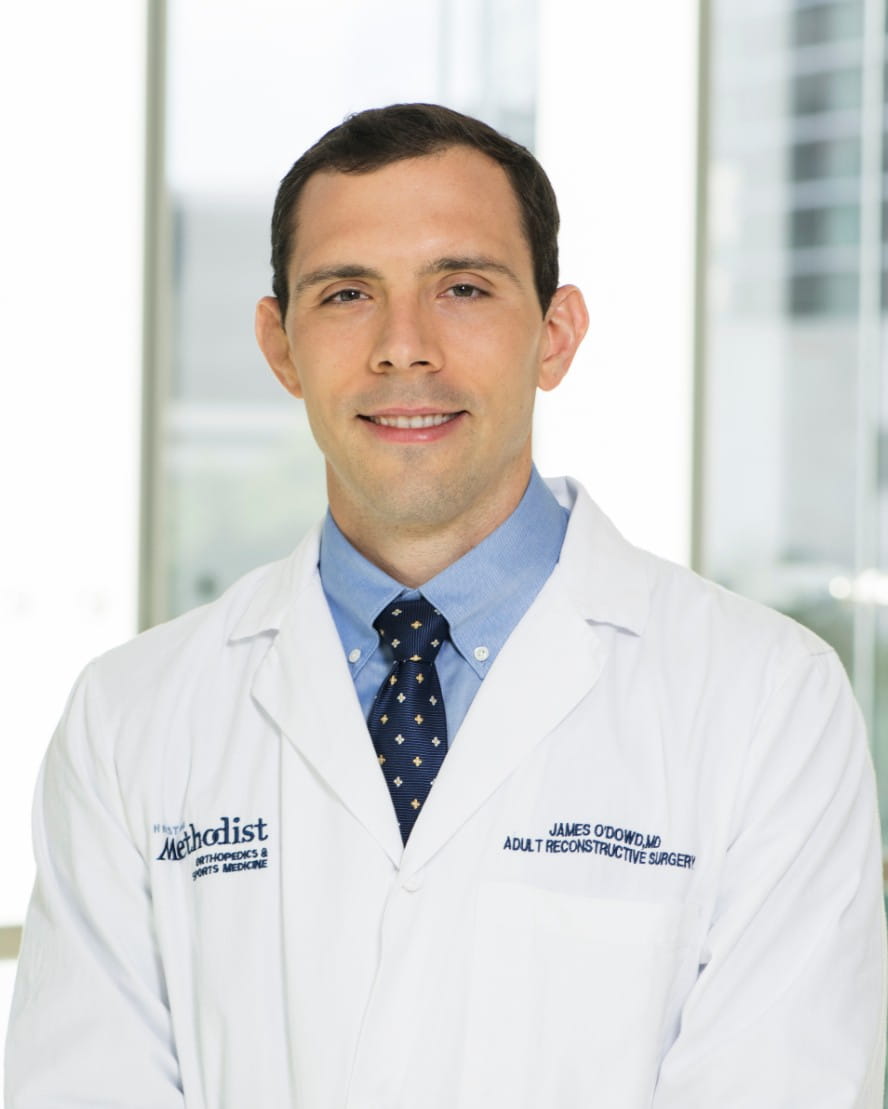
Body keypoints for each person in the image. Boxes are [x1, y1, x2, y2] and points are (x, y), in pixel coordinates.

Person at [5, 103, 886, 1107]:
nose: (403, 347)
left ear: (555, 335)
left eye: (462, 287)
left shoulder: (768, 703)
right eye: (347, 294)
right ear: (280, 345)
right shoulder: (131, 719)